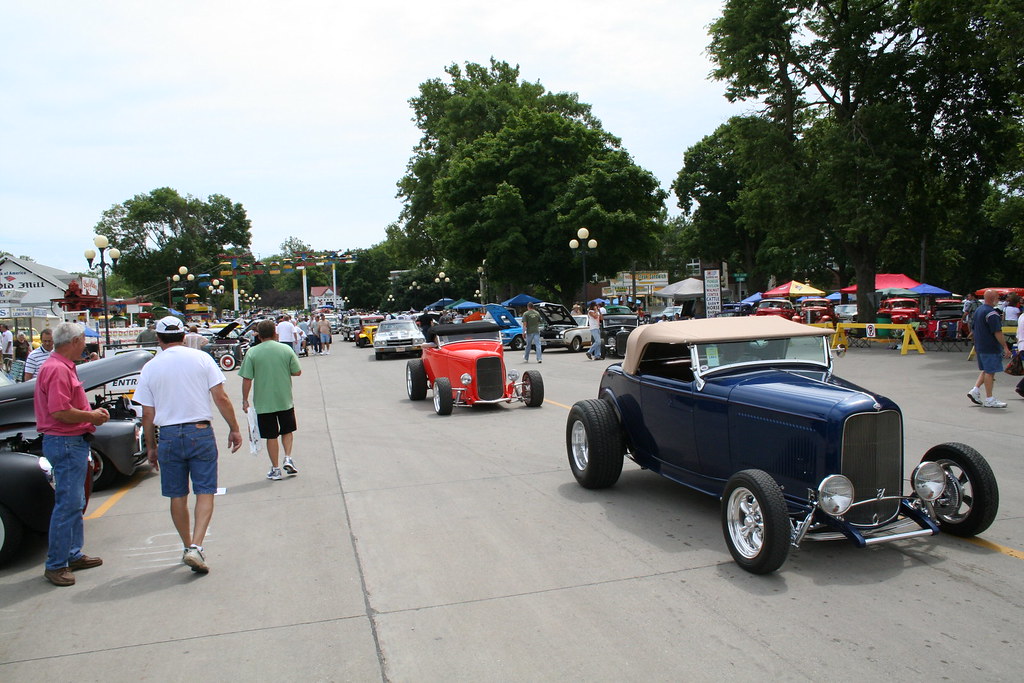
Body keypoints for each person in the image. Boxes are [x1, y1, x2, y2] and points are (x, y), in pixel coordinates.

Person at [133, 316, 242, 575]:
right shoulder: (202, 359)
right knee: (205, 490)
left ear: (158, 340)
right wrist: (234, 428)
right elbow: (221, 397)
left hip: (169, 435)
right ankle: (197, 545)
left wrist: (151, 446)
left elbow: (147, 414)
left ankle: (186, 546)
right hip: (200, 430)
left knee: (177, 495)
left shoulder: (150, 367)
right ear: (183, 336)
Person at [34, 322, 110, 586]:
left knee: (74, 502)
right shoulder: (57, 369)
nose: (85, 346)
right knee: (68, 504)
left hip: (69, 441)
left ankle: (71, 554)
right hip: (65, 441)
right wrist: (91, 416)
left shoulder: (60, 366)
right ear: (75, 341)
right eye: (82, 341)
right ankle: (56, 563)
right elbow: (60, 411)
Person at [240, 320, 302, 480]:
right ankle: (288, 457)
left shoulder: (252, 352)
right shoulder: (285, 349)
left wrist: (245, 400)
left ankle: (275, 468)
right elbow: (297, 372)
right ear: (275, 334)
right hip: (284, 399)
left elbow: (247, 378)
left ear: (259, 336)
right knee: (287, 430)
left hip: (263, 402)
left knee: (271, 435)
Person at [967, 289, 1011, 408]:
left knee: (986, 369)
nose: (999, 299)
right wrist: (1005, 347)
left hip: (980, 345)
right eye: (997, 297)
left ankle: (975, 390)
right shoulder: (992, 313)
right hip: (990, 347)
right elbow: (997, 332)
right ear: (994, 298)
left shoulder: (979, 310)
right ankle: (989, 398)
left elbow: (973, 327)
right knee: (990, 372)